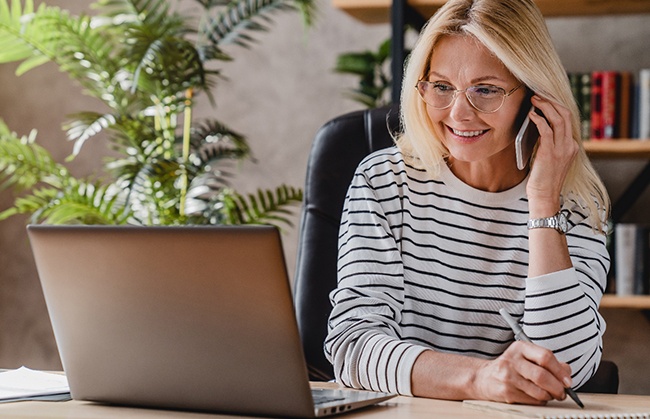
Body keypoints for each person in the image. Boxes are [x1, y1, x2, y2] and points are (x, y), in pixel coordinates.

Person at [324, 0, 610, 405]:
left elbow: (563, 371)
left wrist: (543, 203)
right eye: (441, 87)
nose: (458, 113)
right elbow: (351, 347)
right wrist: (478, 378)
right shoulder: (383, 181)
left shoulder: (577, 207)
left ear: (534, 97)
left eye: (486, 90)